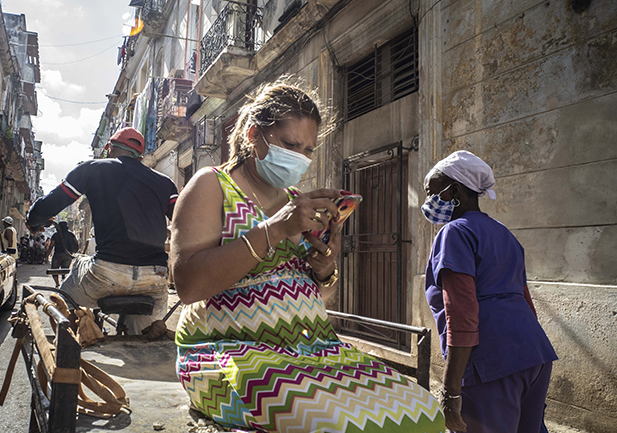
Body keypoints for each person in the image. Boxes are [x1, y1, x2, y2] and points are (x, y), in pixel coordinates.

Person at [170, 78, 445, 432]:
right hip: (233, 354)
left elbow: (320, 297)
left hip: (314, 350)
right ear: (254, 135)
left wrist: (324, 267)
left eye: (308, 150)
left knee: (423, 414)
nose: (299, 157)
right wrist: (275, 229)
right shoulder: (211, 185)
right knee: (332, 425)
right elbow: (188, 285)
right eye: (289, 144)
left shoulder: (296, 199)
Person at [421, 150, 557, 432]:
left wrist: (451, 391)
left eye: (432, 193)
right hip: (534, 353)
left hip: (491, 362)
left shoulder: (454, 232)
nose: (428, 202)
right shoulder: (503, 232)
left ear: (455, 190)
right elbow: (524, 299)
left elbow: (461, 314)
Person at [27, 126, 178, 334]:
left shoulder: (91, 168)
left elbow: (46, 207)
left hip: (106, 274)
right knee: (143, 335)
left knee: (66, 292)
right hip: (155, 278)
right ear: (140, 158)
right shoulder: (165, 183)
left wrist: (34, 221)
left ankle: (70, 349)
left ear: (109, 148)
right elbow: (183, 221)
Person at [46, 221, 79, 287]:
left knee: (54, 270)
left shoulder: (55, 235)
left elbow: (51, 246)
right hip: (68, 255)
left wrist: (47, 256)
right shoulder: (71, 234)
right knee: (65, 270)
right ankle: (64, 282)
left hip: (57, 254)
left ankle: (57, 284)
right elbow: (76, 244)